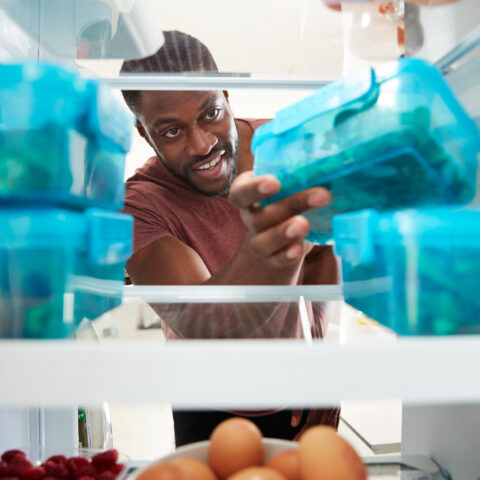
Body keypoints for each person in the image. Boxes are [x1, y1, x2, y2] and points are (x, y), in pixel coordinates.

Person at [120, 30, 340, 446]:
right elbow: (207, 325)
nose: (202, 144)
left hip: (302, 393)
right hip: (205, 404)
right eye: (171, 131)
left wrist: (318, 361)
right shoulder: (140, 206)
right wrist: (269, 245)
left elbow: (320, 254)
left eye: (209, 114)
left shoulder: (285, 146)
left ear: (224, 93)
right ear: (145, 134)